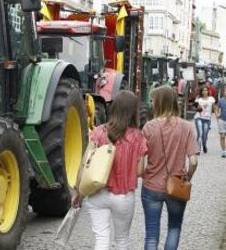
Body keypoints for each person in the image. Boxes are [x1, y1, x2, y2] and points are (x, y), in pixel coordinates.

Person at [72, 90, 147, 250]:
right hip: (123, 196)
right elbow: (140, 171)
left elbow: (84, 163)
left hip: (97, 193)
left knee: (101, 239)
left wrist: (78, 192)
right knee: (122, 240)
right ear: (133, 111)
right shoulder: (138, 137)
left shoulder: (98, 131)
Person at [142, 86, 198, 250]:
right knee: (174, 228)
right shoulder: (186, 127)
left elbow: (142, 162)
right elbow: (193, 161)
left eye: (153, 101)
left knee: (151, 235)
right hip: (176, 187)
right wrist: (187, 177)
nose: (152, 104)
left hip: (151, 187)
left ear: (158, 103)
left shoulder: (148, 127)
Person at [195, 85, 216, 153]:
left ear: (208, 91)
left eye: (206, 90)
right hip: (199, 118)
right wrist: (198, 108)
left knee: (204, 136)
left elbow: (214, 108)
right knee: (200, 133)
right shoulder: (198, 99)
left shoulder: (211, 99)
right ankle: (198, 149)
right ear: (201, 91)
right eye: (203, 90)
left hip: (207, 119)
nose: (205, 92)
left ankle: (204, 145)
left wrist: (217, 114)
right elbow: (196, 108)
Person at [216, 87, 226, 157]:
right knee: (222, 136)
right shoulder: (221, 100)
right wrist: (217, 115)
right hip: (222, 120)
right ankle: (223, 151)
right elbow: (216, 109)